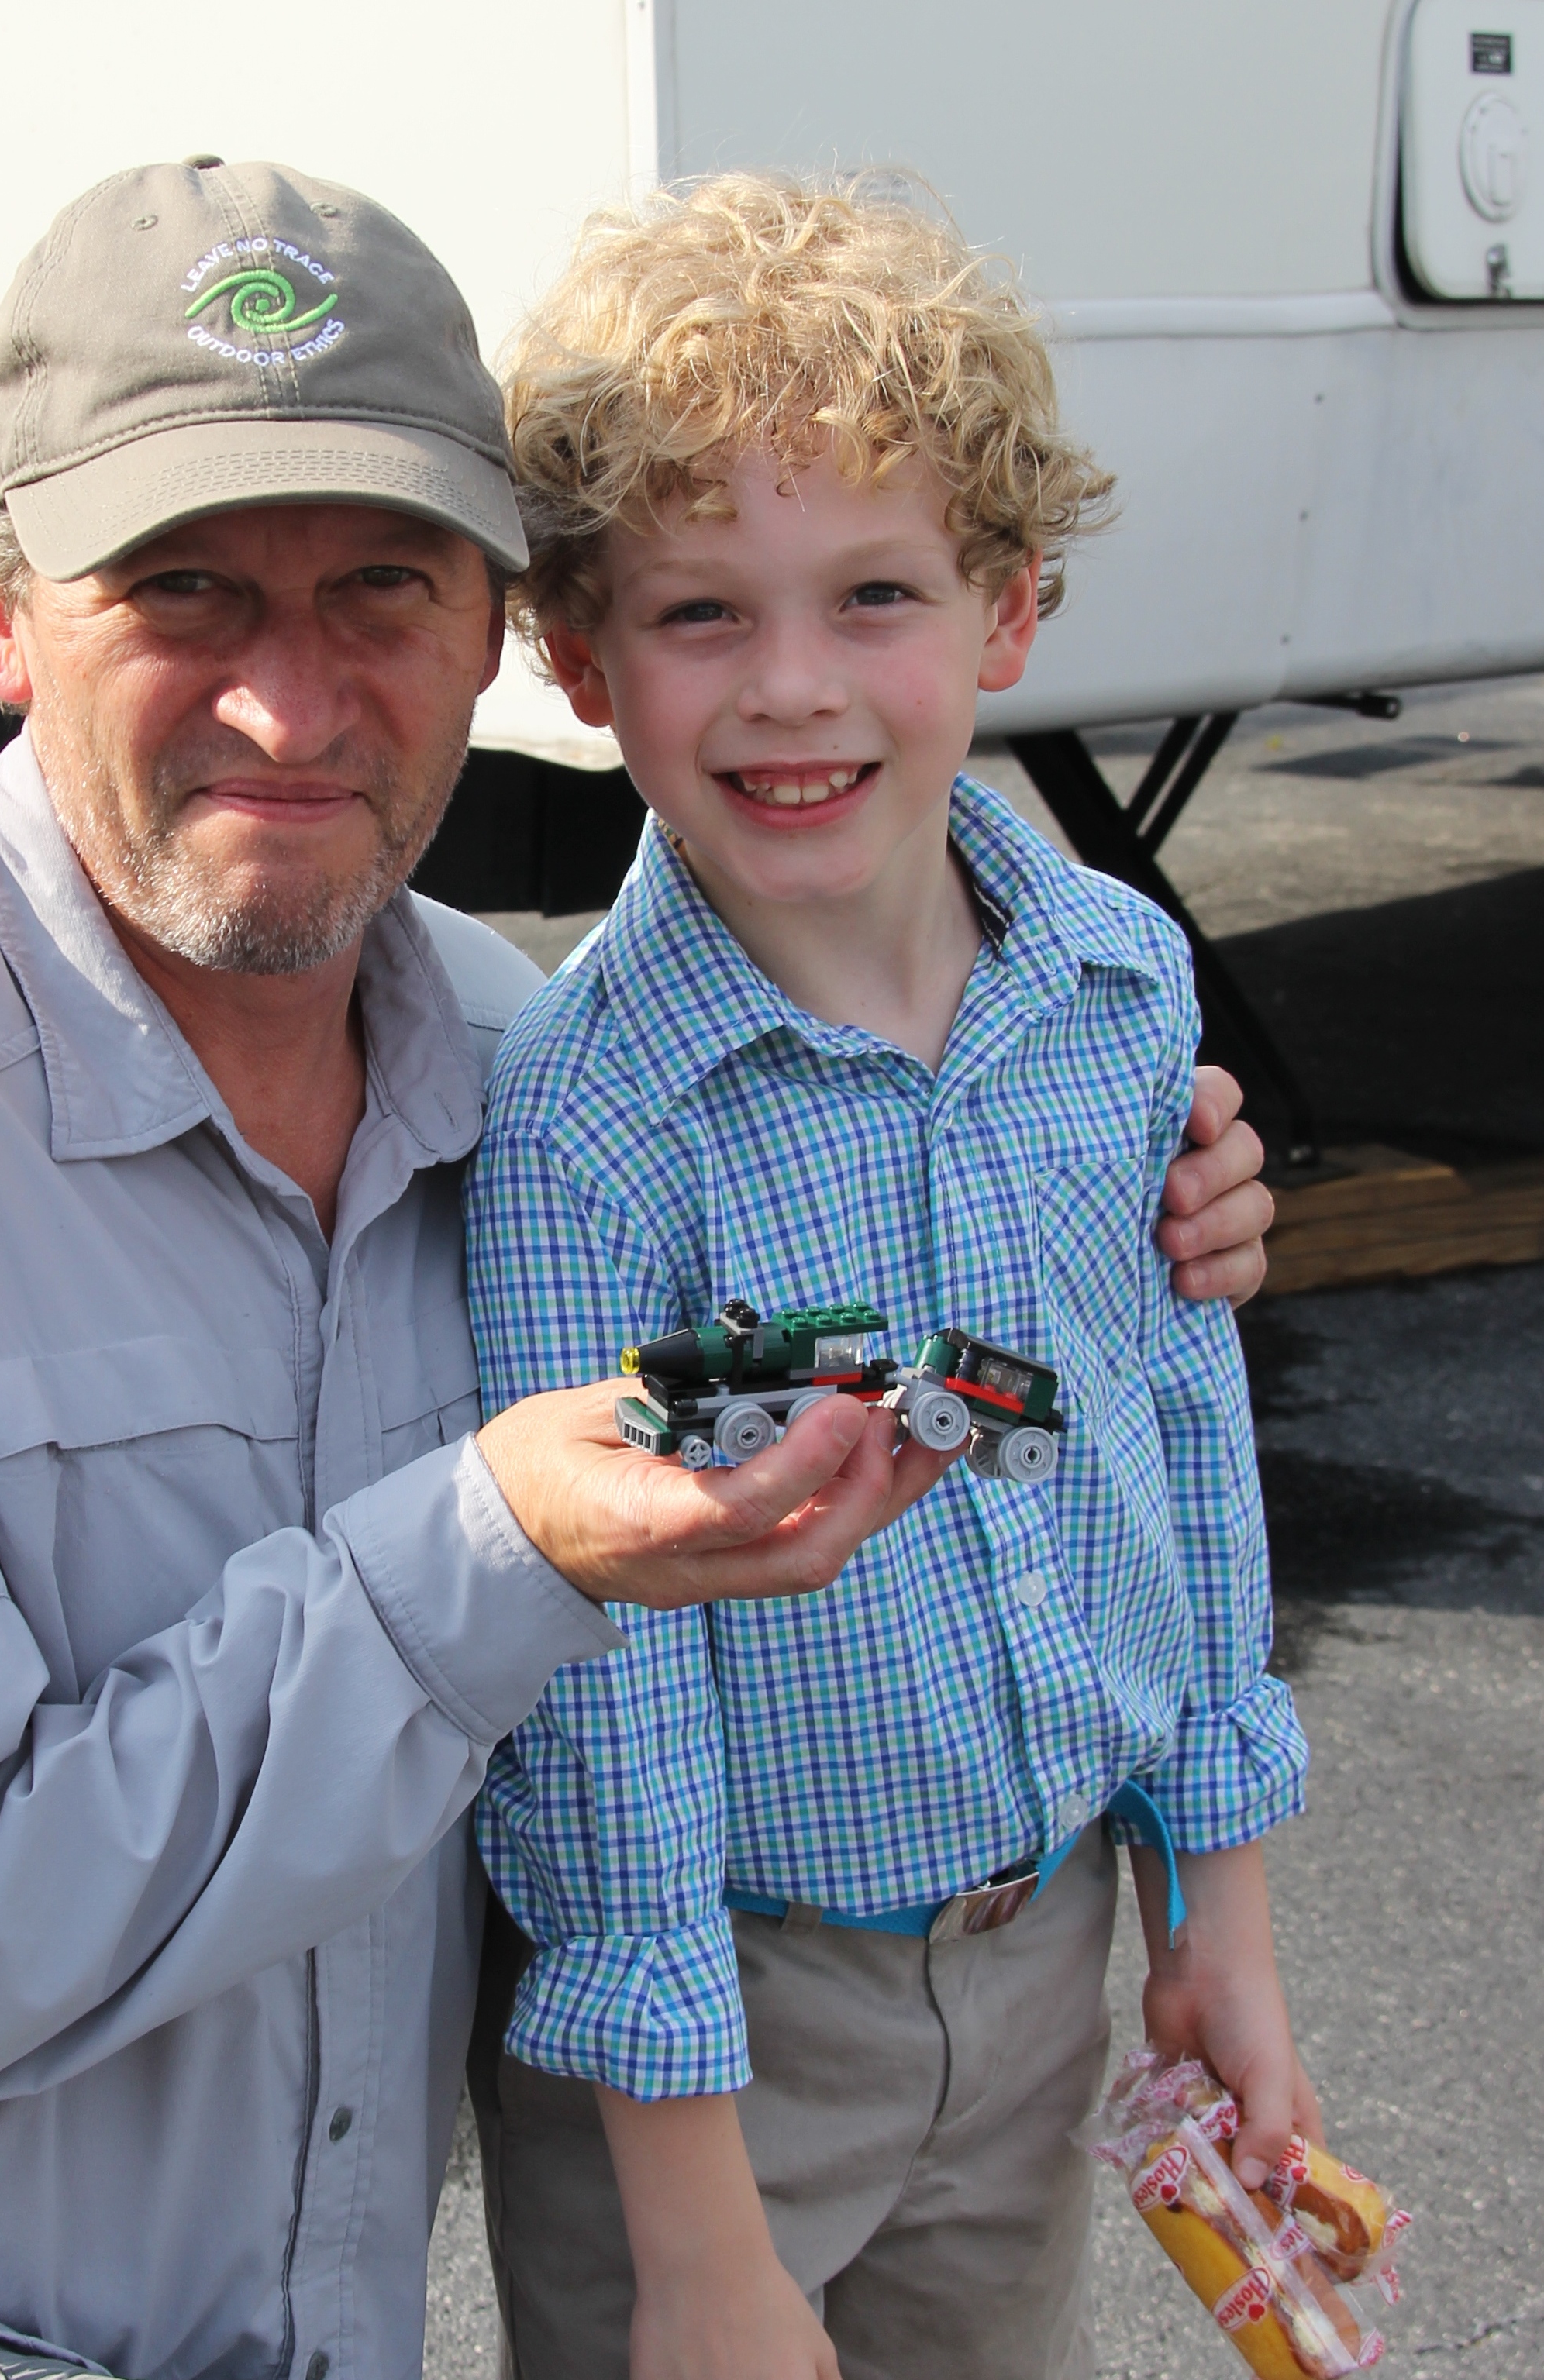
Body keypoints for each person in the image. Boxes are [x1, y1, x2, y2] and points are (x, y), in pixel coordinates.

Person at [0, 162, 1273, 2380]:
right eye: (181, 591)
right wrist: (490, 1547)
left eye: (376, 590)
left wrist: (1126, 1221)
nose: (291, 708)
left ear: (496, 636)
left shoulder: (510, 1061)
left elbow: (939, 1373)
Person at [464, 176, 1316, 2380]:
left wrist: (1212, 1914)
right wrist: (695, 2244)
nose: (792, 691)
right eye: (696, 616)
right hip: (719, 2036)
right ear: (573, 656)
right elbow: (604, 1667)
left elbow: (1172, 1434)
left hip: (1038, 1963)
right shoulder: (593, 1127)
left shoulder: (1113, 985)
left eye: (870, 594)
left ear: (1007, 609)